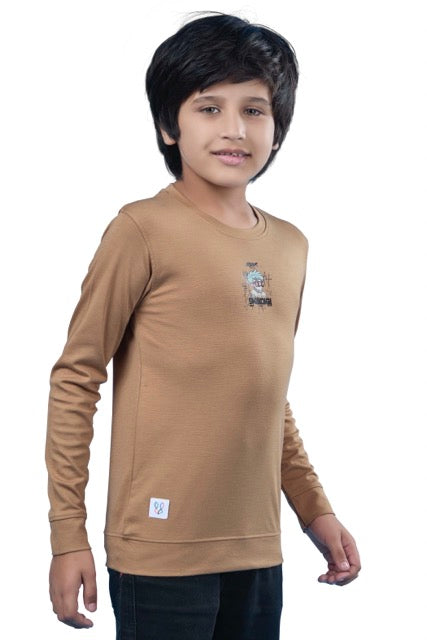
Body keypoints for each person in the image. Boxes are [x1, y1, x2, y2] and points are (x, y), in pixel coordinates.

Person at [45, 10, 361, 639]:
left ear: (278, 128)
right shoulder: (141, 230)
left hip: (257, 549)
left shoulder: (291, 246)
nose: (234, 128)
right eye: (209, 108)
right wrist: (66, 534)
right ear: (170, 125)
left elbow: (265, 396)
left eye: (255, 109)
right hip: (159, 551)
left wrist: (313, 510)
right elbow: (76, 378)